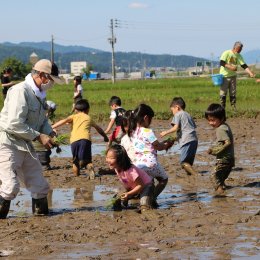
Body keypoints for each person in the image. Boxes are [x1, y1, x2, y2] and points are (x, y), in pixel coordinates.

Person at [0, 59, 64, 219]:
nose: (52, 84)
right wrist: (38, 136)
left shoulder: (40, 95)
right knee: (10, 187)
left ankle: (42, 222)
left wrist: (50, 132)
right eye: (51, 80)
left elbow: (41, 120)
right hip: (8, 143)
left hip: (25, 144)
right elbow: (14, 123)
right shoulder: (19, 91)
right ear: (42, 75)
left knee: (40, 186)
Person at [127, 104, 174, 207]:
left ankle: (145, 200)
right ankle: (152, 197)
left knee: (148, 182)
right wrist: (167, 144)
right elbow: (158, 146)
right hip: (150, 163)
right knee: (163, 179)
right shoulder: (148, 131)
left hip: (137, 164)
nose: (150, 122)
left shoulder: (132, 131)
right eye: (151, 119)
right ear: (146, 118)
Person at [52, 99, 109, 178]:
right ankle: (89, 167)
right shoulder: (88, 118)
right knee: (88, 160)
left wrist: (51, 127)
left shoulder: (73, 117)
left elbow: (63, 121)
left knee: (75, 161)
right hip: (86, 140)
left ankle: (77, 176)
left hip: (74, 141)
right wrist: (105, 136)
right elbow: (98, 128)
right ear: (88, 110)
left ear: (76, 110)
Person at [106, 144, 154, 213]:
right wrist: (126, 194)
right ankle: (120, 212)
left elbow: (141, 185)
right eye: (107, 157)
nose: (108, 160)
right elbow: (127, 183)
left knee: (144, 205)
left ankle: (149, 206)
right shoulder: (117, 168)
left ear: (120, 160)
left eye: (111, 158)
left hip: (146, 186)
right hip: (133, 187)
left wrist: (128, 194)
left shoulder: (131, 171)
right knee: (116, 199)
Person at [160, 97, 198, 176]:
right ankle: (190, 176)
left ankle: (197, 176)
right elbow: (191, 128)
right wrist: (171, 139)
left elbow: (175, 128)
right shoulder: (188, 114)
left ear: (177, 107)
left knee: (183, 162)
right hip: (194, 140)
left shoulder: (178, 114)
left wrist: (165, 132)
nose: (172, 113)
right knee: (188, 163)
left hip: (186, 140)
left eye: (172, 110)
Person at [205, 103, 235, 194]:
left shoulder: (220, 129)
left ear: (221, 118)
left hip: (223, 160)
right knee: (221, 179)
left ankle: (220, 195)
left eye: (213, 120)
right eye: (209, 120)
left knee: (213, 177)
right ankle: (223, 188)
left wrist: (214, 150)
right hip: (230, 159)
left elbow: (227, 142)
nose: (210, 123)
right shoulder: (225, 126)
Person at [219, 41, 255, 110]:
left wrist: (250, 73)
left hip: (233, 76)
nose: (240, 50)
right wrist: (230, 67)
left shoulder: (238, 55)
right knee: (223, 92)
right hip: (224, 76)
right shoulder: (226, 53)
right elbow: (222, 62)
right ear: (235, 47)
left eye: (241, 49)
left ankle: (233, 108)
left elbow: (244, 65)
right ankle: (222, 109)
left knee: (233, 92)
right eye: (239, 49)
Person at [33, 100, 57, 170]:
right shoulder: (44, 118)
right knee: (44, 160)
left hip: (35, 145)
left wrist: (53, 133)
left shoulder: (41, 116)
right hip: (42, 146)